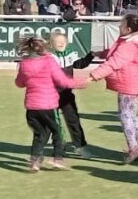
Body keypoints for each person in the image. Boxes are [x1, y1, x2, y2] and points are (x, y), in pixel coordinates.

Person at [89, 14, 138, 163]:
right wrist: (101, 53)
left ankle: (134, 147)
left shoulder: (129, 46)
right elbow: (115, 54)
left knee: (125, 116)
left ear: (128, 29)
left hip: (129, 84)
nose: (119, 26)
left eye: (122, 24)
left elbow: (114, 63)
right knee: (131, 114)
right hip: (135, 83)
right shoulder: (132, 41)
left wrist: (94, 75)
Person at [15, 37, 88, 172]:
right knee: (58, 132)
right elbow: (63, 81)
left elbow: (19, 83)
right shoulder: (49, 61)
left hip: (31, 108)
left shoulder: (24, 63)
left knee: (40, 134)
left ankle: (35, 161)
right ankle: (57, 160)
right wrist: (81, 82)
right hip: (48, 106)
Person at [49, 29, 94, 158]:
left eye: (63, 41)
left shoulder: (71, 55)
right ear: (52, 44)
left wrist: (91, 55)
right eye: (58, 42)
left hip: (67, 96)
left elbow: (81, 64)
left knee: (73, 120)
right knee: (55, 123)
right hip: (52, 95)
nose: (61, 44)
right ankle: (59, 148)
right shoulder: (50, 58)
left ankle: (80, 146)